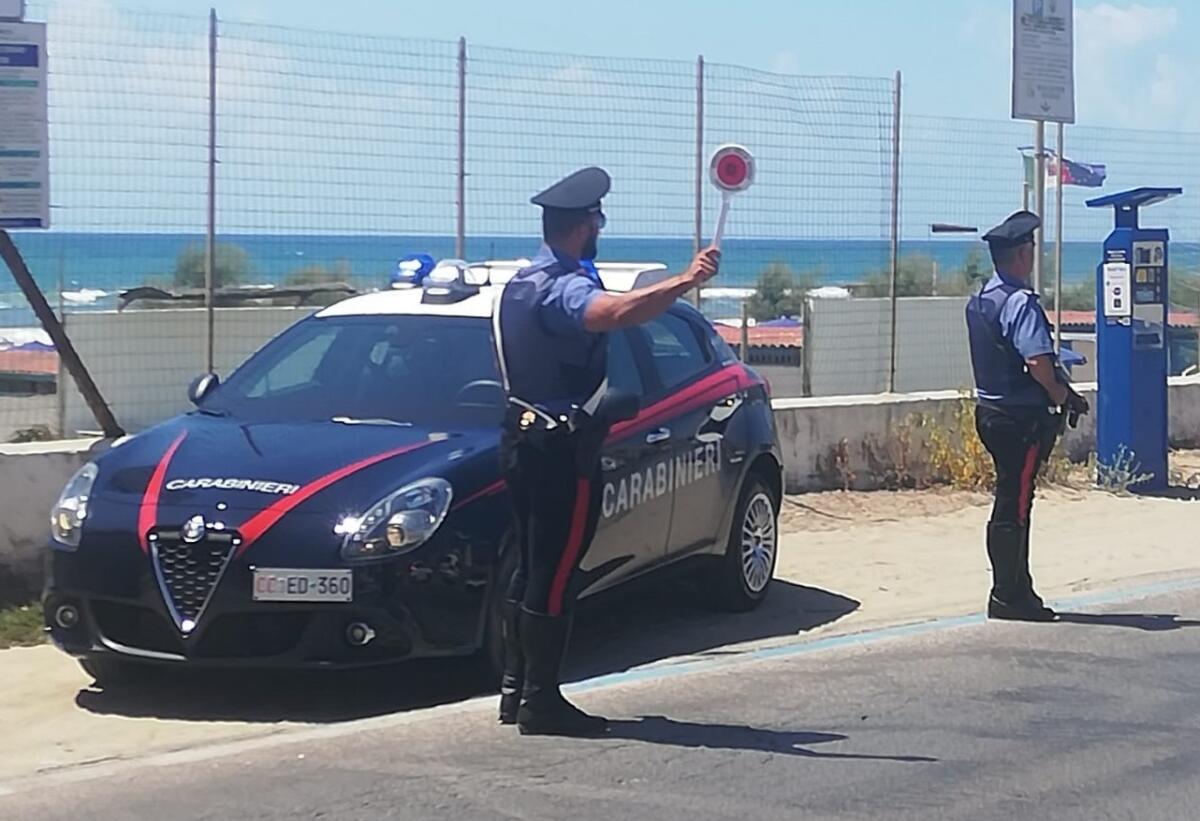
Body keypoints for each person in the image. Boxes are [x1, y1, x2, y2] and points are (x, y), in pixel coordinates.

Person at [493, 166, 721, 736]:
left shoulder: (521, 282)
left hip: (521, 438)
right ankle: (542, 702)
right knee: (558, 570)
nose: (601, 226)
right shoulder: (563, 286)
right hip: (559, 450)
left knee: (531, 565)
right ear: (583, 224)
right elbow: (612, 313)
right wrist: (685, 281)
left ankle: (516, 689)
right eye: (597, 218)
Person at [965, 210, 1089, 622]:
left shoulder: (982, 298)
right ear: (1022, 253)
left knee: (1011, 501)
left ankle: (1019, 588)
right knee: (1014, 505)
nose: (1034, 255)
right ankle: (1007, 595)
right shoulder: (1019, 302)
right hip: (1019, 419)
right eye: (1032, 248)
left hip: (990, 412)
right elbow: (1037, 360)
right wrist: (1061, 394)